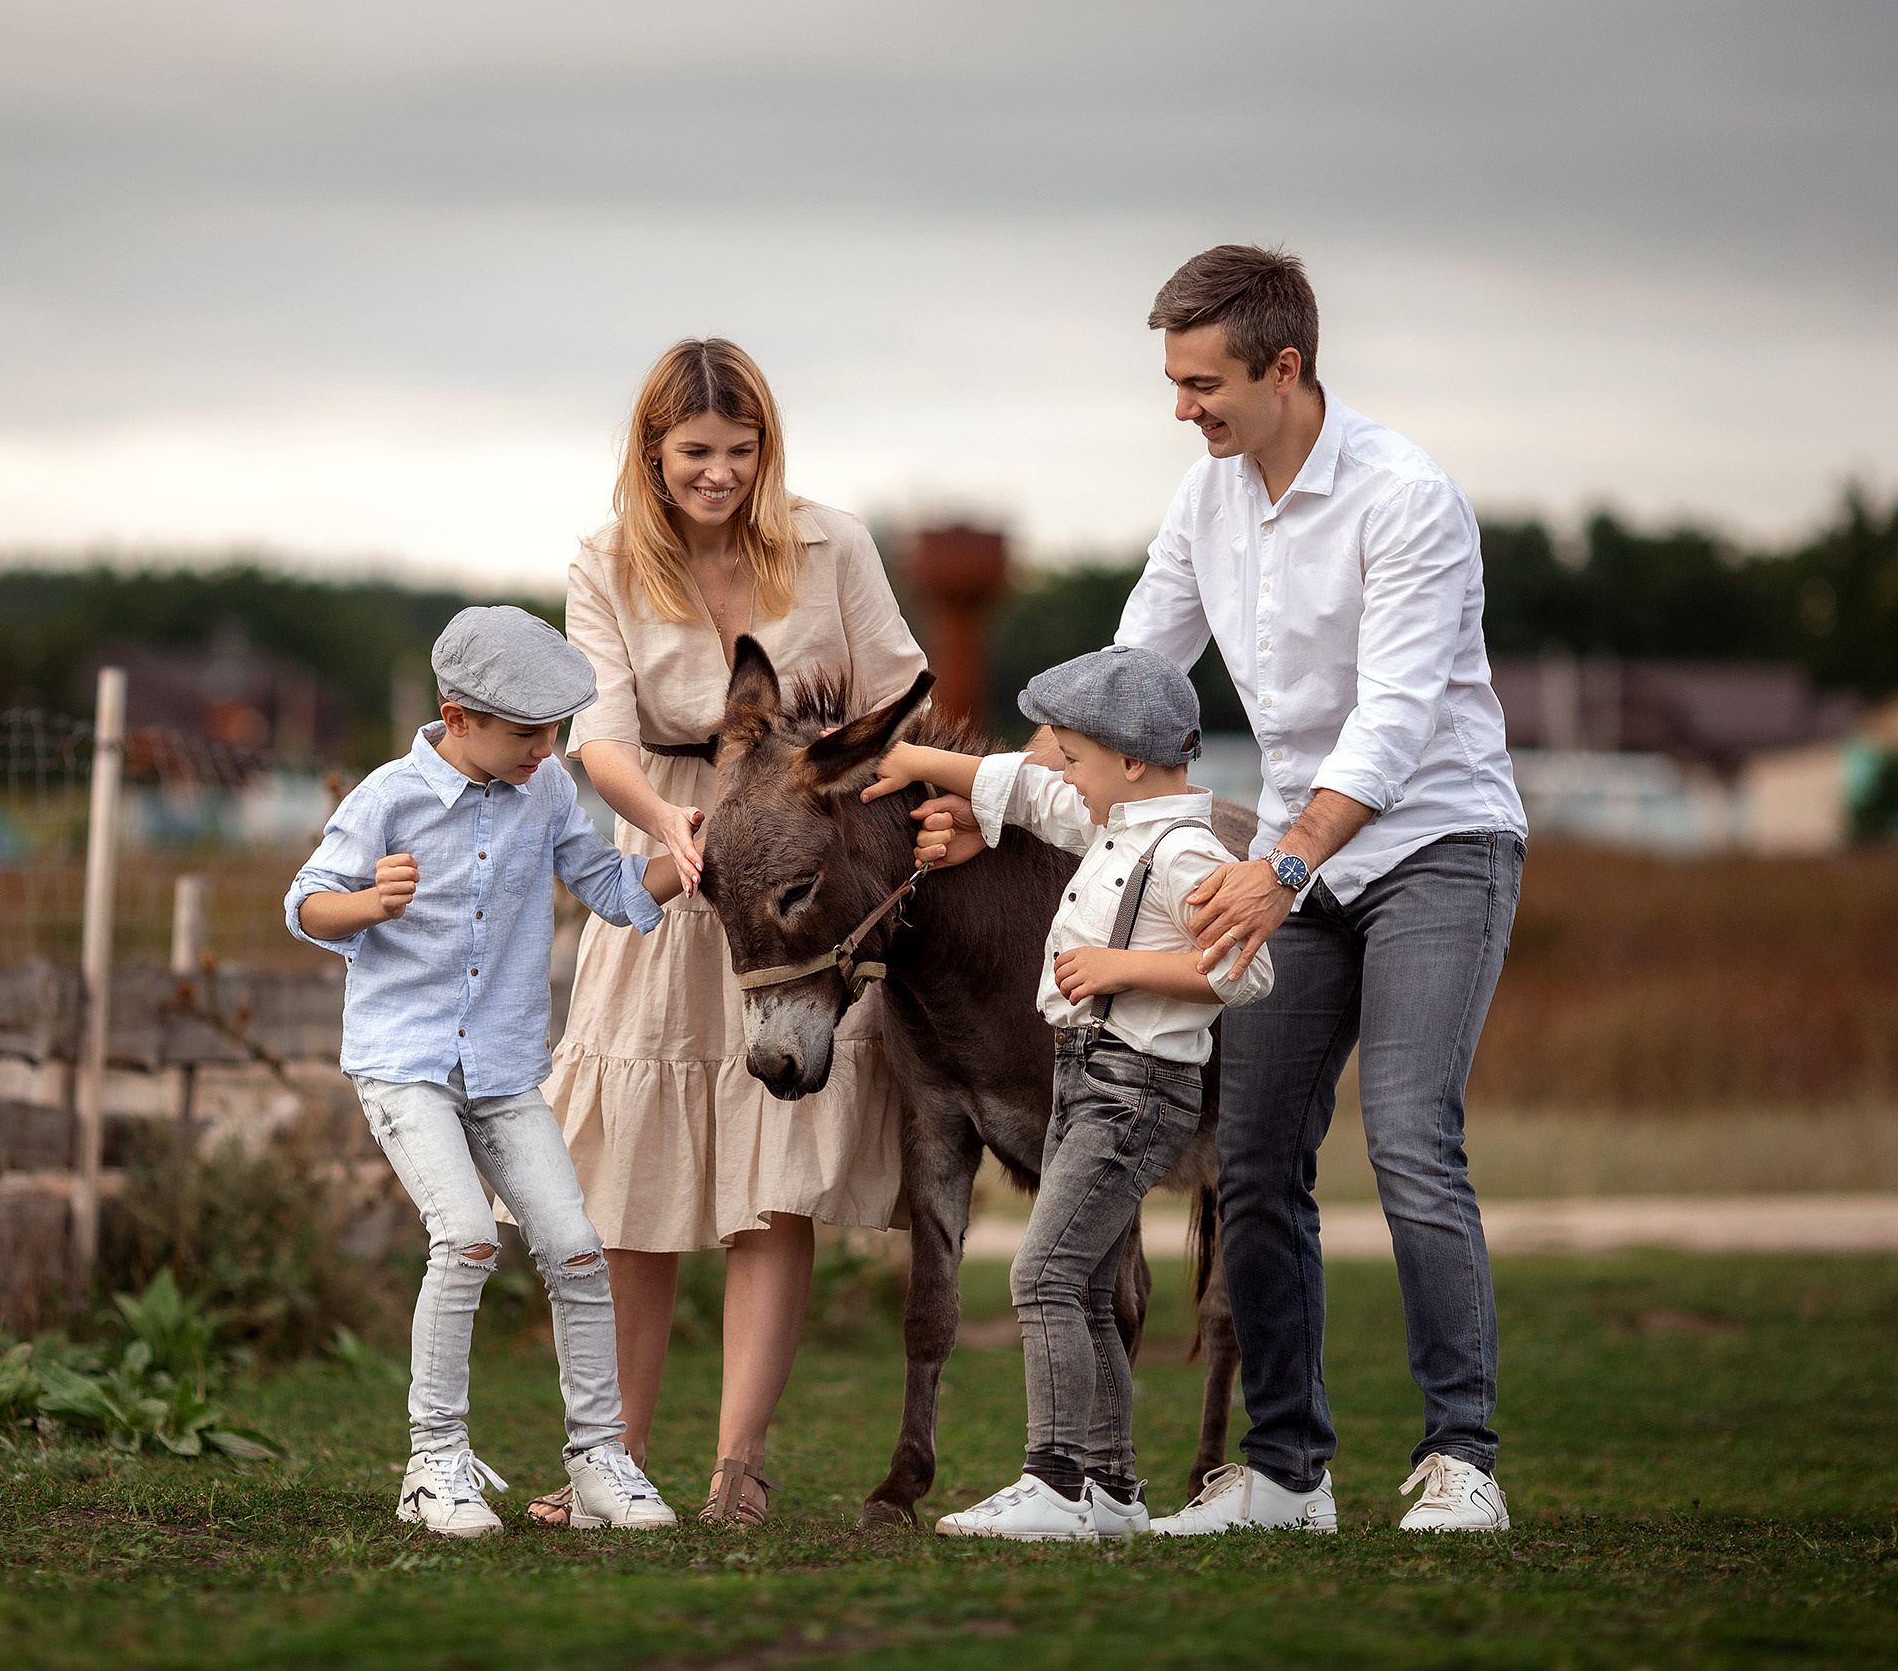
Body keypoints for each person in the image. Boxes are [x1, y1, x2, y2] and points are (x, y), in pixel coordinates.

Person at [920, 246, 1526, 1534]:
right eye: (1173, 381)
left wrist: (1283, 867)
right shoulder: (1204, 505)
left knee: (1413, 1139)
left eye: (1201, 383)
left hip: (1433, 842)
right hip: (1294, 860)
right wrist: (992, 805)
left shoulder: (1406, 499)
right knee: (1251, 1159)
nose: (1181, 408)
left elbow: (1397, 717)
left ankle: (1459, 1458)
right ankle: (1287, 1474)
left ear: (1284, 367)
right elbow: (1122, 678)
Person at [529, 337, 928, 1529]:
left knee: (773, 1181)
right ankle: (617, 1461)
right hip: (667, 863)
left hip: (800, 868)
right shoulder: (602, 562)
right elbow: (594, 733)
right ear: (651, 452)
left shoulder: (832, 543)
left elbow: (891, 695)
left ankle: (739, 1468)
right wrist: (666, 824)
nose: (719, 475)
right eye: (695, 452)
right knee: (631, 1181)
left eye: (741, 453)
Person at [285, 605, 689, 1538]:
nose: (547, 751)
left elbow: (616, 891)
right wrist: (365, 905)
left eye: (554, 731)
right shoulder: (388, 794)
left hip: (505, 1070)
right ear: (457, 714)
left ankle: (600, 1461)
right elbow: (305, 904)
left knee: (578, 1248)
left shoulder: (546, 793)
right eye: (527, 731)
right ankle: (433, 1464)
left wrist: (683, 856)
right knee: (465, 1235)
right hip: (405, 1064)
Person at [863, 645, 1272, 1540]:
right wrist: (920, 763)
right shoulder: (1115, 820)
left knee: (1041, 1274)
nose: (1062, 778)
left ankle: (1053, 1480)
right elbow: (1021, 787)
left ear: (1129, 763)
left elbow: (1246, 969)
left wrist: (1121, 966)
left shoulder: (1185, 849)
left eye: (1073, 759)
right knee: (1081, 1285)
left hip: (1134, 1087)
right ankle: (1115, 1491)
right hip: (1089, 1079)